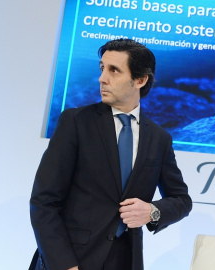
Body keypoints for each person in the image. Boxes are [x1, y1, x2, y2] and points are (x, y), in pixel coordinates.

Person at [29, 38, 192, 270]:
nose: (102, 78)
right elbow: (44, 201)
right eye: (102, 68)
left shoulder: (159, 139)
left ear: (140, 79)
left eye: (114, 70)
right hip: (70, 259)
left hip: (125, 261)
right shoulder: (75, 122)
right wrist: (64, 265)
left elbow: (181, 200)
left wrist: (152, 211)